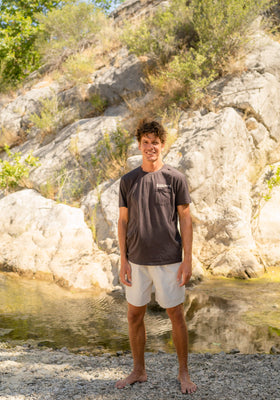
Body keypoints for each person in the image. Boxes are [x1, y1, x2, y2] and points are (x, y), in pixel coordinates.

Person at [116, 118, 197, 394]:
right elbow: (122, 222)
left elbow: (185, 219)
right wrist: (123, 259)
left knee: (176, 314)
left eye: (156, 142)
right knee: (133, 316)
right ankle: (138, 371)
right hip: (136, 261)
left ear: (163, 145)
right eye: (146, 142)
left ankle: (184, 374)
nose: (151, 147)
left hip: (169, 259)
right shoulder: (128, 180)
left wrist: (187, 259)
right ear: (139, 145)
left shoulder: (175, 178)